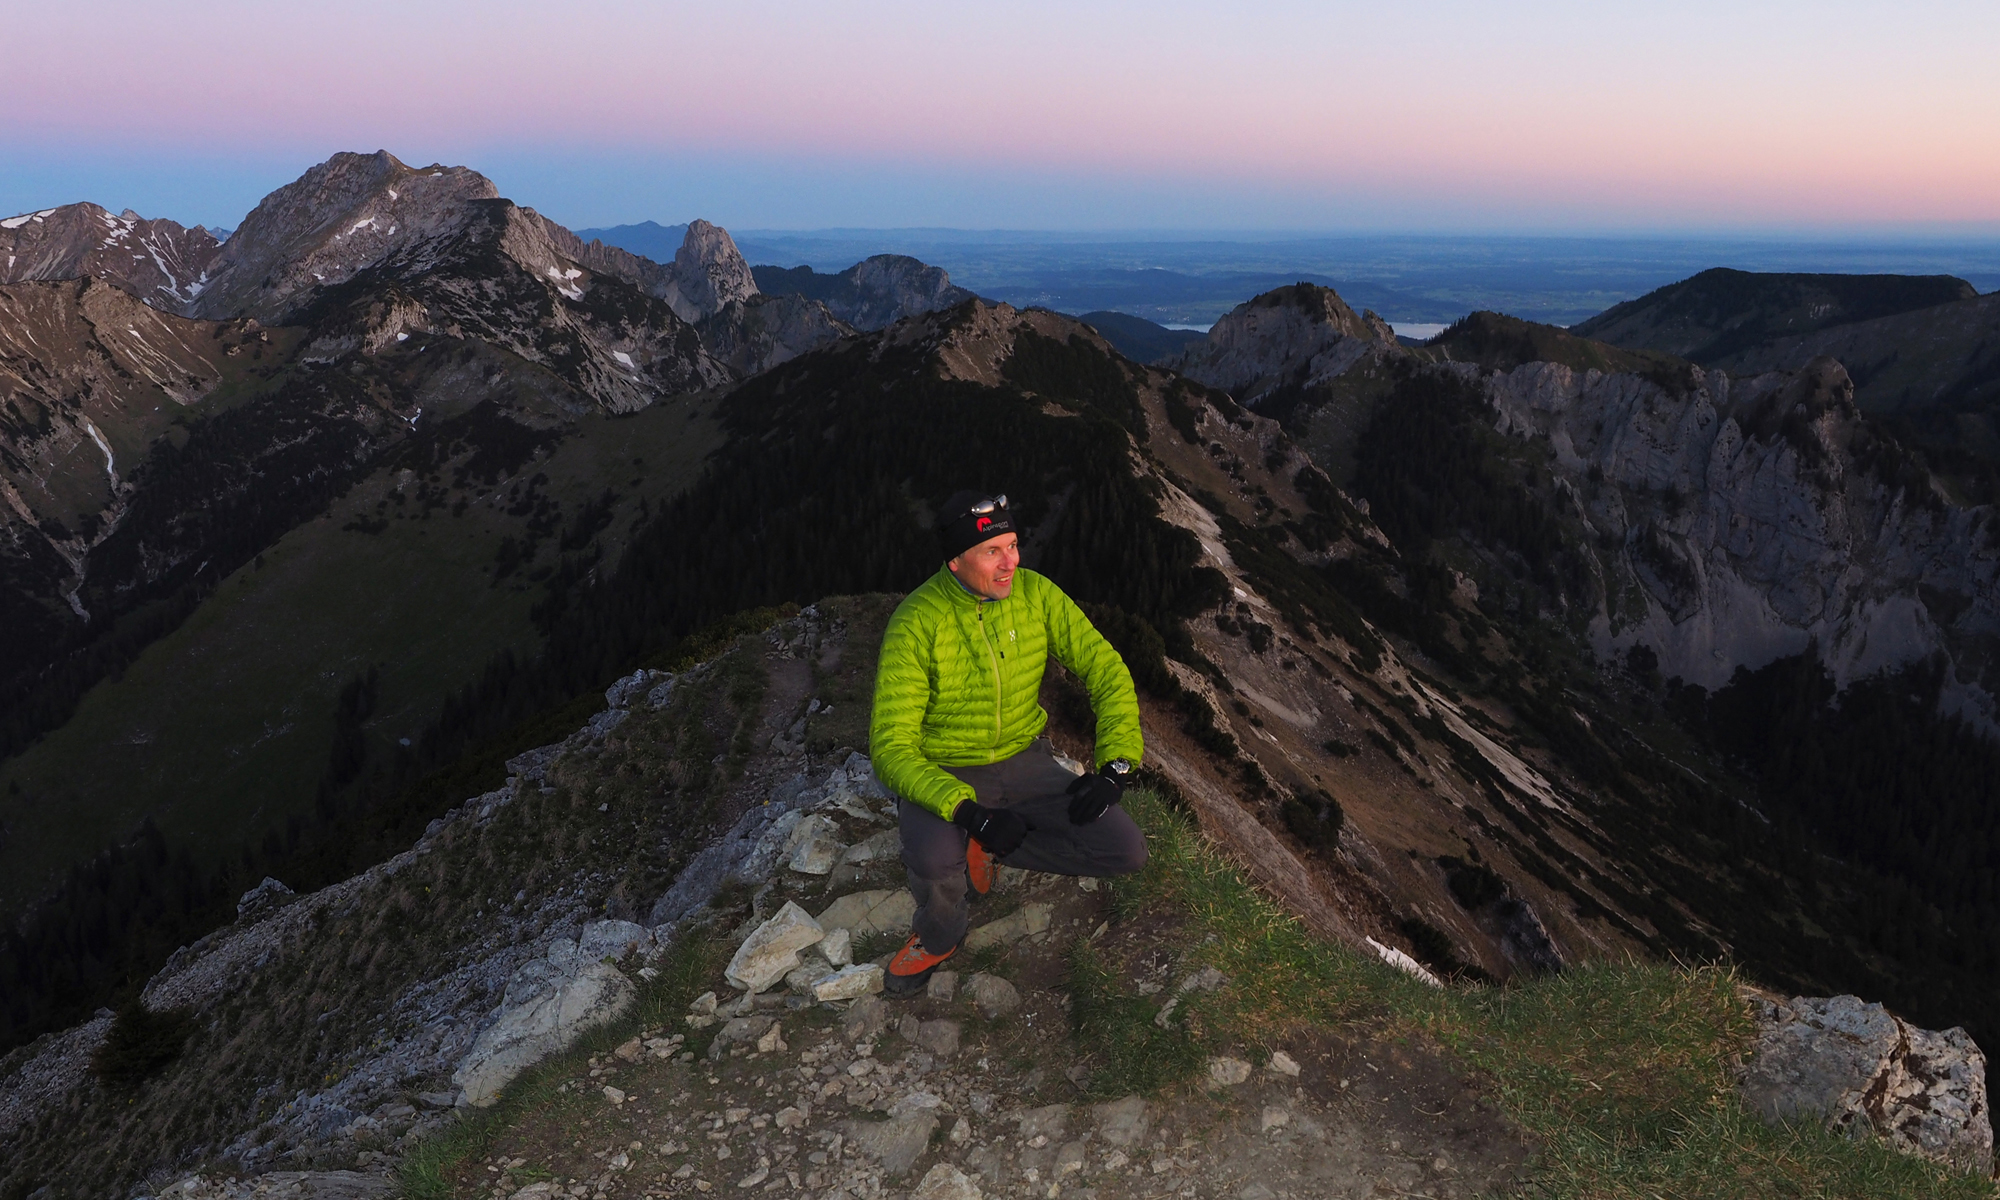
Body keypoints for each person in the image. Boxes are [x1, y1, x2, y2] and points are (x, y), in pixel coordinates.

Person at [868, 491, 1148, 995]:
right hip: (945, 770)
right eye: (992, 551)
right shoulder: (916, 622)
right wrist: (969, 813)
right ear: (954, 561)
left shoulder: (1036, 594)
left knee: (1126, 852)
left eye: (1013, 545)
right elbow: (891, 748)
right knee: (935, 865)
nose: (1010, 562)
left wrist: (1116, 767)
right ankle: (939, 937)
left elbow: (1105, 670)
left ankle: (993, 849)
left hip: (1023, 759)